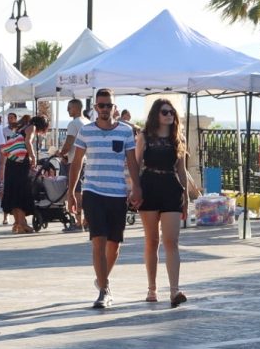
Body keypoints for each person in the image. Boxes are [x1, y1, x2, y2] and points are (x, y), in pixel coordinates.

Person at [67, 89, 142, 310]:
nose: (105, 109)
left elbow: (132, 162)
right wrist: (72, 192)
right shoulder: (86, 131)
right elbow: (77, 162)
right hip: (93, 192)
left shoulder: (126, 131)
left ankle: (101, 279)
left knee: (114, 244)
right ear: (95, 108)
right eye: (101, 105)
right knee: (98, 240)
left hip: (117, 193)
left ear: (114, 107)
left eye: (108, 105)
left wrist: (136, 187)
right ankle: (104, 290)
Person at [136, 99, 189, 307]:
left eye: (172, 112)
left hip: (170, 187)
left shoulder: (178, 138)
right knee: (151, 241)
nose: (169, 115)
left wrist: (186, 198)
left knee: (171, 240)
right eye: (165, 112)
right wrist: (134, 188)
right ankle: (152, 288)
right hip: (149, 185)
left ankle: (175, 290)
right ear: (156, 115)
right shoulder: (144, 136)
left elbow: (182, 170)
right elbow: (136, 163)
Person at [1, 115, 49, 234]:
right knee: (22, 192)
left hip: (12, 163)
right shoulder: (32, 128)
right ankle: (22, 224)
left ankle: (18, 223)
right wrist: (33, 157)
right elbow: (28, 141)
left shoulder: (22, 127)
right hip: (21, 164)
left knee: (14, 193)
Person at [58, 98, 90, 231]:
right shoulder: (88, 122)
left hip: (76, 160)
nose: (67, 110)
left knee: (76, 191)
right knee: (84, 191)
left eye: (69, 108)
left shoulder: (74, 123)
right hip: (88, 160)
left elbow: (69, 141)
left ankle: (78, 222)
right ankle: (86, 220)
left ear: (76, 108)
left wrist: (61, 153)